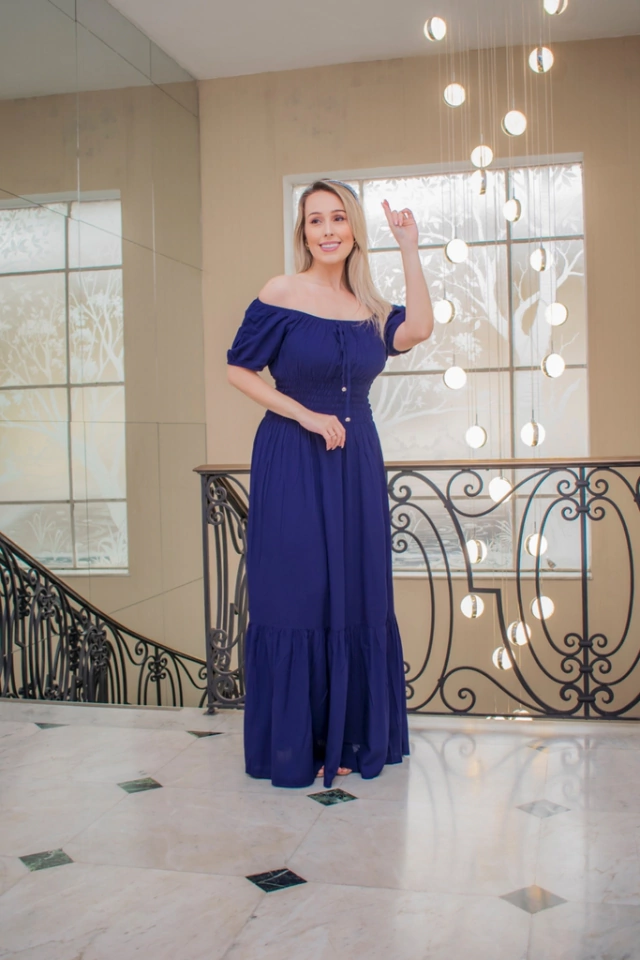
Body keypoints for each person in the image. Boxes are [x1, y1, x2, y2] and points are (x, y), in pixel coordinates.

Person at [227, 179, 433, 788]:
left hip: (356, 462)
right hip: (293, 454)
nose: (327, 230)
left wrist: (409, 247)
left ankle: (347, 735)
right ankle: (299, 743)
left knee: (355, 592)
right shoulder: (281, 291)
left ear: (354, 229)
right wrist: (305, 414)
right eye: (315, 219)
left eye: (338, 218)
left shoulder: (370, 307)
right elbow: (239, 369)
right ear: (303, 231)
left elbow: (420, 329)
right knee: (298, 592)